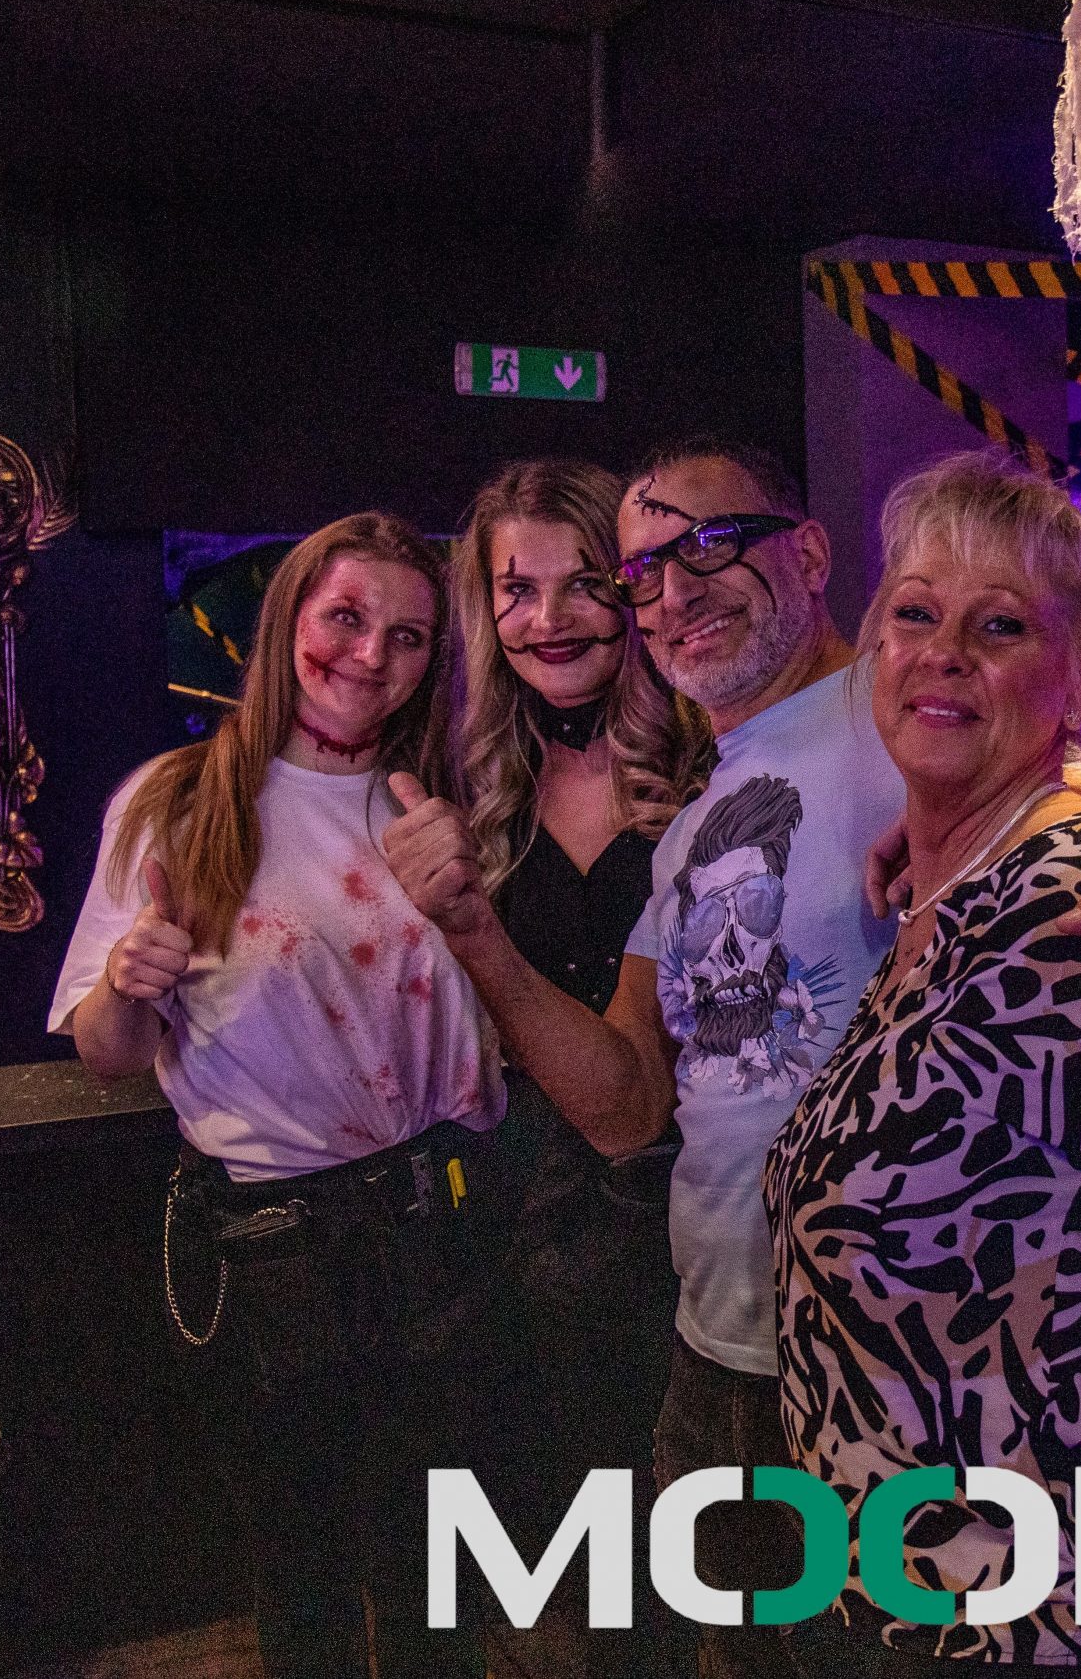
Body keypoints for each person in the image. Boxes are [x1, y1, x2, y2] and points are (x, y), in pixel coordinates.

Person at [383, 437, 1081, 1679]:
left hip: (954, 1444)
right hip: (729, 1362)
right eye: (644, 572)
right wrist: (474, 932)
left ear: (808, 557)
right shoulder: (703, 820)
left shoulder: (917, 730)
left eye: (710, 547)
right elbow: (628, 1108)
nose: (675, 592)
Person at [767, 453, 1081, 1679]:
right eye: (914, 614)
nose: (942, 653)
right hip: (915, 1604)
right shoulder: (944, 896)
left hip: (1058, 1627)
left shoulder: (1070, 916)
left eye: (998, 626)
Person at [51, 512, 504, 1679]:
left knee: (440, 1568)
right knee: (303, 1573)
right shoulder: (177, 798)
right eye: (344, 617)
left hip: (445, 1217)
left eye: (407, 636)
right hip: (275, 1247)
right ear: (287, 621)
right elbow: (108, 1053)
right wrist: (128, 980)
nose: (370, 655)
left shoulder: (444, 795)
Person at [446, 457, 714, 1679]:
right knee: (576, 1539)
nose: (549, 618)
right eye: (517, 589)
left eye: (585, 582)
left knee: (706, 1545)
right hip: (530, 1207)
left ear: (636, 591)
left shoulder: (712, 760)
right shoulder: (469, 781)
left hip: (692, 1198)